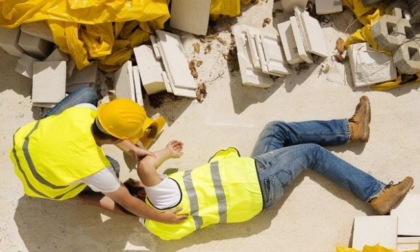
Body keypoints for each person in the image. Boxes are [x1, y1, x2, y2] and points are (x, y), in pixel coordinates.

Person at [133, 96, 414, 240]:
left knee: (275, 130)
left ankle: (351, 129)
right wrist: (166, 153)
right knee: (312, 153)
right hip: (258, 181)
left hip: (252, 180)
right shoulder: (164, 198)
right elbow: (146, 166)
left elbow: (111, 200)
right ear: (141, 193)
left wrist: (128, 204)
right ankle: (376, 194)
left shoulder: (157, 226)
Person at [10, 87, 186, 224]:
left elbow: (109, 131)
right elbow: (127, 202)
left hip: (24, 144)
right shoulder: (97, 169)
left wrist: (132, 149)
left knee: (87, 94)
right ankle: (75, 195)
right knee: (114, 169)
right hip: (42, 185)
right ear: (117, 138)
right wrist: (163, 218)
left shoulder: (84, 111)